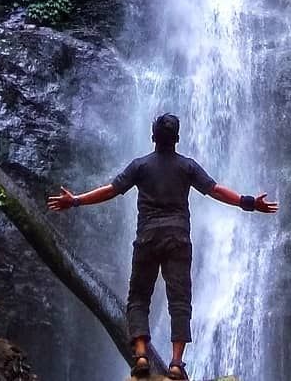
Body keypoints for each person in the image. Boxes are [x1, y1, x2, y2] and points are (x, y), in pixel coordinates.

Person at [47, 113, 278, 380]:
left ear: (153, 137)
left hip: (147, 237)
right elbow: (215, 190)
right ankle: (177, 364)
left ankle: (142, 354)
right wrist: (249, 203)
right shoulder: (187, 167)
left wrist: (75, 201)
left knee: (138, 297)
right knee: (179, 301)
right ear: (177, 139)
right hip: (178, 238)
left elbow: (111, 190)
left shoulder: (140, 166)